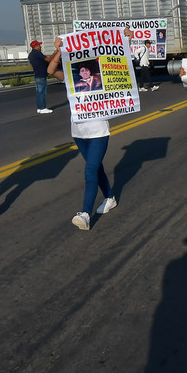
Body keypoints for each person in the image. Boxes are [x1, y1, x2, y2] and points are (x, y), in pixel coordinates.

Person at [47, 37, 118, 230]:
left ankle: (85, 213)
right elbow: (50, 70)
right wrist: (59, 51)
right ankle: (110, 197)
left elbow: (122, 63)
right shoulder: (70, 79)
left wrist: (126, 39)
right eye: (81, 70)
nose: (83, 72)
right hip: (78, 132)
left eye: (87, 69)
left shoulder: (102, 78)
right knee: (96, 168)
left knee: (90, 170)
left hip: (98, 132)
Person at [29, 40, 53, 114]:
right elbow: (48, 60)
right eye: (39, 45)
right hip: (41, 75)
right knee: (42, 92)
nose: (40, 46)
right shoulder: (37, 53)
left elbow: (31, 66)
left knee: (39, 92)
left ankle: (39, 107)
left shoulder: (30, 55)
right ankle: (43, 108)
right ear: (36, 46)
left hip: (37, 74)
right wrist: (55, 53)